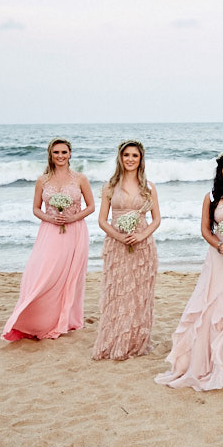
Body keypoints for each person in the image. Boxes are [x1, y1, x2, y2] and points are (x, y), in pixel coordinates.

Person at [155, 151, 223, 389]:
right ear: (221, 171)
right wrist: (219, 245)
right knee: (211, 305)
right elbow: (205, 229)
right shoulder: (212, 197)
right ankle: (204, 357)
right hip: (217, 260)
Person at [3, 137, 94, 341]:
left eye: (64, 152)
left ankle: (66, 319)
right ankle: (35, 318)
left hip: (75, 230)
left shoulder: (80, 179)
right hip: (49, 231)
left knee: (70, 275)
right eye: (56, 152)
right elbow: (36, 208)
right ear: (50, 155)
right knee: (44, 272)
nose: (60, 156)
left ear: (70, 154)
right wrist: (51, 218)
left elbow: (91, 206)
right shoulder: (42, 180)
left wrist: (72, 217)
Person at [91, 140, 160, 360]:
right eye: (126, 155)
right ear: (120, 158)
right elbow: (102, 220)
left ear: (141, 160)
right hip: (116, 244)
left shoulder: (148, 186)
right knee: (118, 292)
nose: (130, 159)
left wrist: (141, 235)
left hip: (142, 245)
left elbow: (156, 219)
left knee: (139, 293)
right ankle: (115, 338)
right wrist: (120, 236)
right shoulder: (110, 186)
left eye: (135, 156)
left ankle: (135, 341)